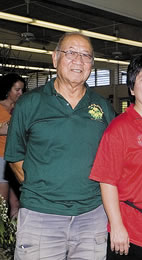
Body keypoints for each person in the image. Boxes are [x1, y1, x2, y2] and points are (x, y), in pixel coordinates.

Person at [4, 32, 116, 259]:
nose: (79, 60)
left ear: (92, 65)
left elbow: (114, 158)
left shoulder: (102, 107)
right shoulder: (29, 103)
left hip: (92, 217)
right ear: (55, 59)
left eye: (86, 55)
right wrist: (45, 188)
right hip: (40, 217)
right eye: (71, 53)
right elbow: (15, 157)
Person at [89, 54, 142, 260]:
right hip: (133, 234)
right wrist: (117, 226)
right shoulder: (119, 129)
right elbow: (107, 181)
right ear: (132, 89)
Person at [0, 73, 25, 218]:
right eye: (17, 89)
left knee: (16, 203)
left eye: (22, 90)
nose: (20, 93)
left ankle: (13, 236)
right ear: (8, 89)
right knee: (2, 203)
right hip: (2, 157)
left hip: (17, 158)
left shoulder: (20, 107)